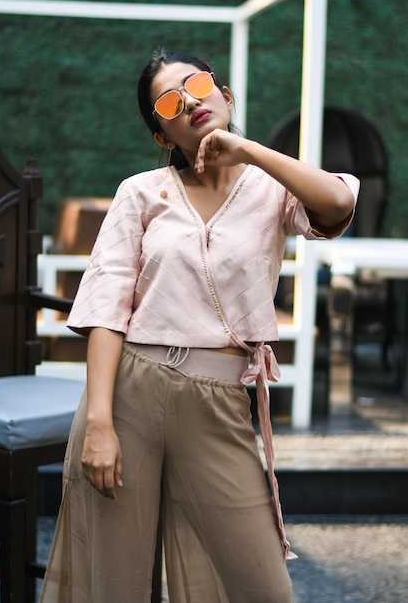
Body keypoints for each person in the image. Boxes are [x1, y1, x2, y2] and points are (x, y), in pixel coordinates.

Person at [39, 48, 359, 603]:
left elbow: (336, 203)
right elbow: (106, 309)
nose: (189, 100)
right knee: (114, 582)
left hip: (219, 403)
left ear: (226, 96)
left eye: (199, 85)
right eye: (170, 100)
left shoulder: (274, 188)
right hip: (130, 394)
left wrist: (249, 150)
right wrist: (98, 425)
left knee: (263, 587)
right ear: (164, 136)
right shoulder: (139, 193)